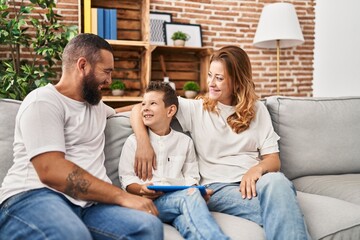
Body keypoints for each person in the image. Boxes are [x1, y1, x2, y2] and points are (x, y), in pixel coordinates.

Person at [130, 46, 311, 240]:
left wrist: (256, 170)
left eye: (220, 78)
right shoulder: (196, 109)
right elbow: (137, 108)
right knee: (284, 209)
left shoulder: (258, 110)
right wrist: (143, 143)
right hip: (219, 187)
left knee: (278, 181)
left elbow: (273, 160)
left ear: (237, 80)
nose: (211, 83)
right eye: (210, 75)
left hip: (257, 182)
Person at [0, 33, 163, 240]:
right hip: (33, 197)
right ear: (83, 65)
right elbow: (51, 170)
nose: (109, 80)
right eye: (106, 71)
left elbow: (138, 109)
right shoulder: (43, 101)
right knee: (72, 235)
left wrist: (143, 141)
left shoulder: (96, 107)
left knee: (147, 226)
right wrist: (121, 197)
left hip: (88, 205)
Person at [119, 81, 229, 240]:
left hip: (178, 202)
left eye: (153, 103)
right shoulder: (133, 142)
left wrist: (197, 192)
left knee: (186, 222)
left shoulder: (185, 142)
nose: (145, 108)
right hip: (148, 203)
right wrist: (142, 189)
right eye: (143, 104)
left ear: (170, 110)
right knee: (190, 196)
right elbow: (126, 179)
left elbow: (192, 177)